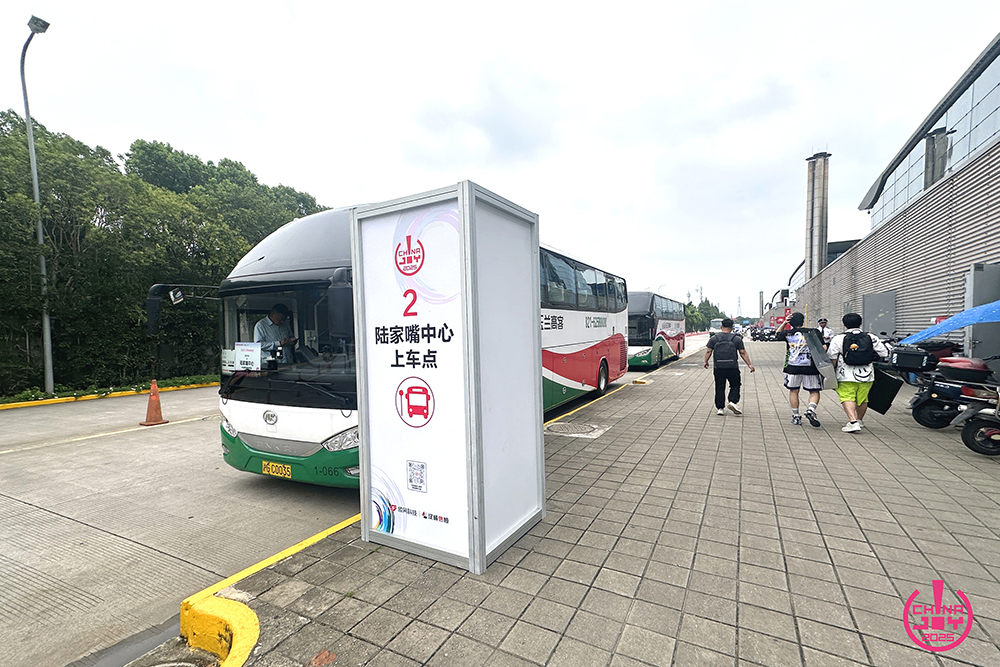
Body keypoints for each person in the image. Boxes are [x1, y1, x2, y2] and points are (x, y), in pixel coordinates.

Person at [827, 312, 890, 433]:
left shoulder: (839, 338)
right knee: (862, 399)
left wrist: (833, 370)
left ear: (844, 324)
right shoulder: (871, 337)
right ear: (860, 323)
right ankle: (860, 420)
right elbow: (884, 353)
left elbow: (832, 357)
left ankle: (853, 422)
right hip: (867, 374)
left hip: (845, 374)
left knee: (847, 397)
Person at [774, 312, 824, 427]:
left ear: (790, 322)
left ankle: (796, 416)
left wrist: (784, 322)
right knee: (814, 391)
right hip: (811, 367)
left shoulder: (788, 333)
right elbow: (823, 347)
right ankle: (811, 409)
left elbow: (777, 334)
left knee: (794, 391)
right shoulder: (813, 332)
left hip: (792, 367)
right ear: (803, 320)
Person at [703, 318, 755, 416]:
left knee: (719, 387)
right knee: (735, 385)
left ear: (721, 326)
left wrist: (706, 361)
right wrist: (749, 364)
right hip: (732, 367)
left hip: (718, 367)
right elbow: (742, 352)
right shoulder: (736, 339)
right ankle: (732, 401)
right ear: (732, 327)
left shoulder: (714, 338)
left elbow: (709, 351)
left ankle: (720, 408)